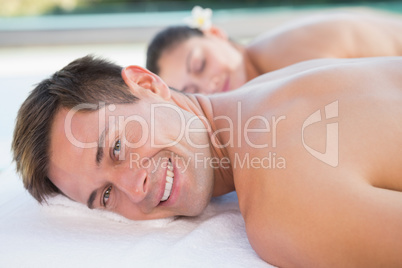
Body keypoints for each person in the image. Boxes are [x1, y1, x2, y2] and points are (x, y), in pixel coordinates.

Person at [12, 55, 402, 267]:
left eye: (116, 148)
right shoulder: (285, 80)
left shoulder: (282, 212)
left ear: (148, 84)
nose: (135, 188)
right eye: (107, 196)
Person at [146, 12, 402, 94]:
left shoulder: (284, 52)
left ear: (215, 33)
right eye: (192, 92)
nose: (208, 86)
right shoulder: (262, 82)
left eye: (200, 64)